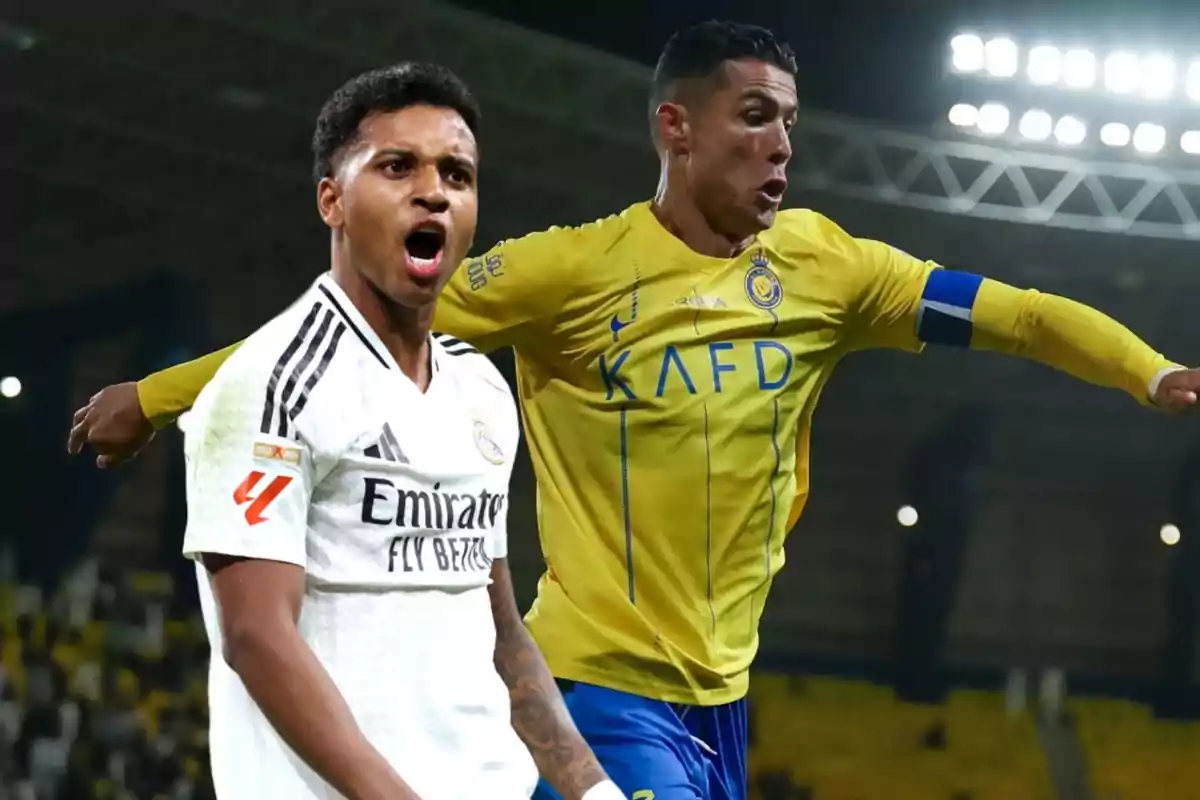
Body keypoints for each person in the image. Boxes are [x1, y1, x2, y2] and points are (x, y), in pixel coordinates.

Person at [69, 21, 1198, 800]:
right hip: (593, 685)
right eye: (754, 117)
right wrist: (155, 398)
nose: (781, 147)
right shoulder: (569, 272)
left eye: (791, 123)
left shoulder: (832, 268)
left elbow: (1022, 313)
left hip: (727, 695)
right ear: (677, 128)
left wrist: (1153, 372)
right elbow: (330, 324)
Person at [120, 63, 623, 800]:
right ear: (332, 200)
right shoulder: (270, 384)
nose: (434, 191)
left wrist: (592, 789)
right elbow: (256, 638)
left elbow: (500, 630)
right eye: (397, 167)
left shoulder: (481, 389)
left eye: (458, 174)